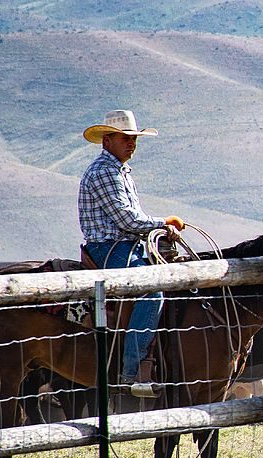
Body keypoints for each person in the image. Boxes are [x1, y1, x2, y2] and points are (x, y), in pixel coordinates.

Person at [79, 109, 185, 395]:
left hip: (126, 245)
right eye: (125, 138)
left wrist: (158, 227)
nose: (131, 144)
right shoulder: (103, 172)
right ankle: (131, 371)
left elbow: (132, 217)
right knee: (152, 292)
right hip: (108, 248)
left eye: (134, 138)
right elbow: (127, 220)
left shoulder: (120, 170)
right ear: (107, 141)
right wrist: (163, 223)